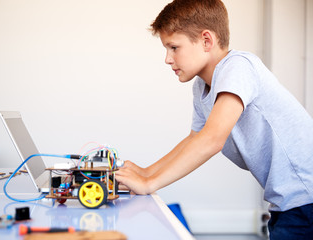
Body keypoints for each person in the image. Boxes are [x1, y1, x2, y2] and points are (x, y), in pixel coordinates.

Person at [114, 0, 313, 239]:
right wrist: (146, 173)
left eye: (174, 47)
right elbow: (195, 138)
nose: (167, 58)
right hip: (289, 203)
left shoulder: (238, 67)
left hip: (306, 199)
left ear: (207, 41)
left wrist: (150, 184)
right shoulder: (202, 86)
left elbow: (212, 139)